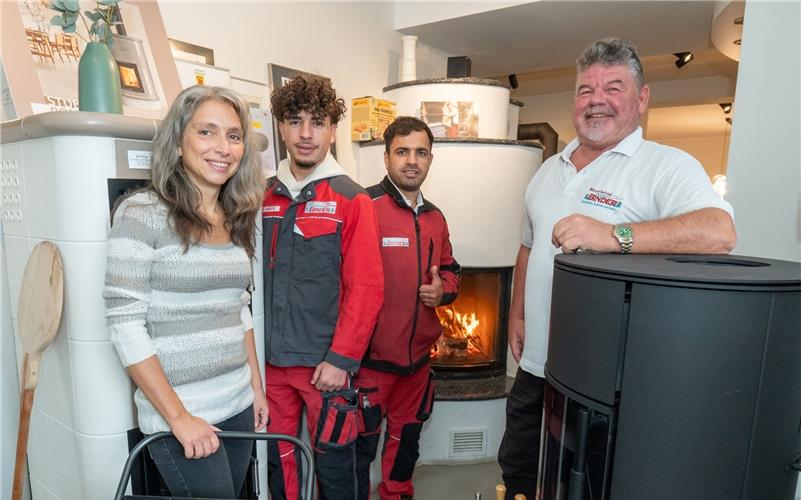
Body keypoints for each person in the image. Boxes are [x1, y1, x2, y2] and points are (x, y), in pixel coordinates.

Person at [497, 37, 737, 499]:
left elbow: (719, 232)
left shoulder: (666, 167)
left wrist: (616, 236)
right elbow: (528, 247)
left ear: (642, 99)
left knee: (591, 485)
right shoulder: (549, 169)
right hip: (536, 367)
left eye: (614, 87)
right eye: (586, 90)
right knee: (522, 472)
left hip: (605, 382)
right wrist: (518, 314)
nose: (597, 101)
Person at [104, 85, 268, 499]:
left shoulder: (235, 217)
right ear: (178, 142)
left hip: (238, 403)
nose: (223, 147)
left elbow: (239, 309)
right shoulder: (142, 213)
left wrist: (256, 388)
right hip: (183, 414)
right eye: (206, 132)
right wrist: (178, 418)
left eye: (233, 136)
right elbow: (125, 326)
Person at [262, 74, 384, 500]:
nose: (306, 134)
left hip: (325, 370)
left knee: (335, 470)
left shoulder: (352, 199)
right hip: (269, 365)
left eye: (318, 122)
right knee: (280, 466)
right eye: (295, 121)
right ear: (281, 127)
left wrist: (341, 359)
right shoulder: (262, 197)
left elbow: (366, 288)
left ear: (334, 129)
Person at [354, 117, 461, 500]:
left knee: (406, 443)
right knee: (356, 449)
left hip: (417, 364)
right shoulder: (364, 206)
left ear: (430, 158)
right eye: (402, 152)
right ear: (386, 157)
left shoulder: (436, 217)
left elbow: (450, 271)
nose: (411, 160)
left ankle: (396, 494)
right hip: (369, 362)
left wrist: (442, 292)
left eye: (420, 152)